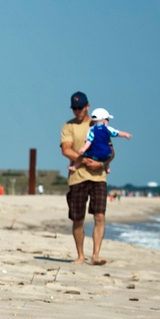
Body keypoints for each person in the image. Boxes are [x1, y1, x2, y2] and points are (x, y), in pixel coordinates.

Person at [60, 91, 108, 265]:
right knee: (78, 218)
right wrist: (84, 160)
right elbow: (66, 149)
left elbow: (109, 150)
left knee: (100, 216)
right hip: (77, 178)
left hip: (98, 177)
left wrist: (101, 164)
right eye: (74, 108)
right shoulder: (68, 126)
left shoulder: (99, 124)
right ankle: (81, 255)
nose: (78, 111)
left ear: (88, 106)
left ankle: (95, 255)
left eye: (80, 107)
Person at [68, 107, 132, 174]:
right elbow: (117, 133)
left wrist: (83, 149)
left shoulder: (92, 129)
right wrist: (125, 134)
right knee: (109, 153)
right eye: (107, 119)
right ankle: (107, 166)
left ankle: (74, 167)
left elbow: (89, 141)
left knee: (81, 156)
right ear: (104, 120)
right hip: (107, 154)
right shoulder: (107, 129)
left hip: (95, 154)